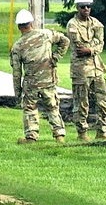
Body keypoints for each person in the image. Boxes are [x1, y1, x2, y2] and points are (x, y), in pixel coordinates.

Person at [10, 9, 69, 144]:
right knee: (52, 107)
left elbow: (17, 73)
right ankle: (59, 136)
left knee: (30, 109)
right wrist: (55, 58)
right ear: (32, 23)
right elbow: (64, 41)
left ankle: (31, 137)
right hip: (48, 80)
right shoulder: (46, 34)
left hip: (31, 84)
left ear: (19, 27)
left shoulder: (18, 46)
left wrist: (17, 92)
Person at [66, 0, 106, 142]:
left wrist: (90, 49)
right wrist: (93, 47)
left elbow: (101, 44)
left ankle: (102, 131)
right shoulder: (73, 25)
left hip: (97, 68)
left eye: (88, 6)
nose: (86, 9)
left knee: (103, 100)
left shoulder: (96, 23)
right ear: (77, 8)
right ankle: (82, 133)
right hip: (81, 70)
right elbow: (79, 47)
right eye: (83, 6)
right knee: (81, 102)